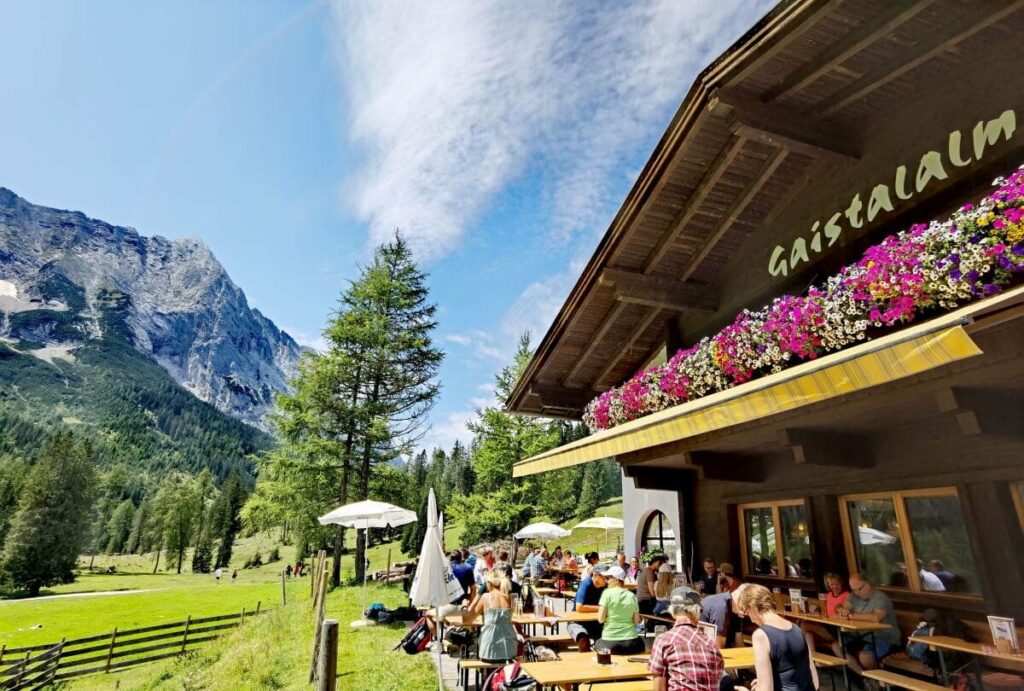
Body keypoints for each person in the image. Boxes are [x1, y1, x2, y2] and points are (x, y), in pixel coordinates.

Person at [736, 584, 818, 691]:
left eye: (747, 612)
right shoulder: (797, 629)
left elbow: (766, 689)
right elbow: (815, 681)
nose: (751, 620)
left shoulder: (761, 635)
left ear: (753, 606)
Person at [649, 590, 726, 691]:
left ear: (673, 612)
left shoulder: (664, 640)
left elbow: (659, 688)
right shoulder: (711, 644)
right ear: (697, 612)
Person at [833, 574, 900, 675]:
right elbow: (842, 606)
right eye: (853, 590)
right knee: (836, 646)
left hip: (885, 637)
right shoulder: (855, 596)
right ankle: (864, 676)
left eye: (859, 589)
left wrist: (850, 616)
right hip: (863, 636)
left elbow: (876, 617)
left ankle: (878, 681)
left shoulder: (881, 598)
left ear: (867, 584)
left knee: (865, 657)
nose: (856, 593)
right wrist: (840, 609)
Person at [471, 570, 519, 663]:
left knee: (486, 670)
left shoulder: (485, 597)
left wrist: (465, 606)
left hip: (489, 648)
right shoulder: (510, 598)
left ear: (489, 583)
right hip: (509, 648)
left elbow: (470, 617)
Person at [597, 565, 645, 654]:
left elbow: (600, 619)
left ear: (616, 579)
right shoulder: (631, 596)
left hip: (610, 642)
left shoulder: (607, 593)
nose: (606, 581)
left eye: (608, 578)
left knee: (598, 643)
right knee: (641, 644)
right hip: (631, 643)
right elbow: (636, 621)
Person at [570, 563, 609, 652]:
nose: (607, 580)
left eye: (608, 577)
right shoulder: (586, 584)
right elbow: (579, 607)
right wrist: (601, 608)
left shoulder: (606, 586)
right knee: (583, 641)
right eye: (605, 577)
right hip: (578, 622)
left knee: (609, 641)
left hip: (598, 622)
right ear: (595, 575)